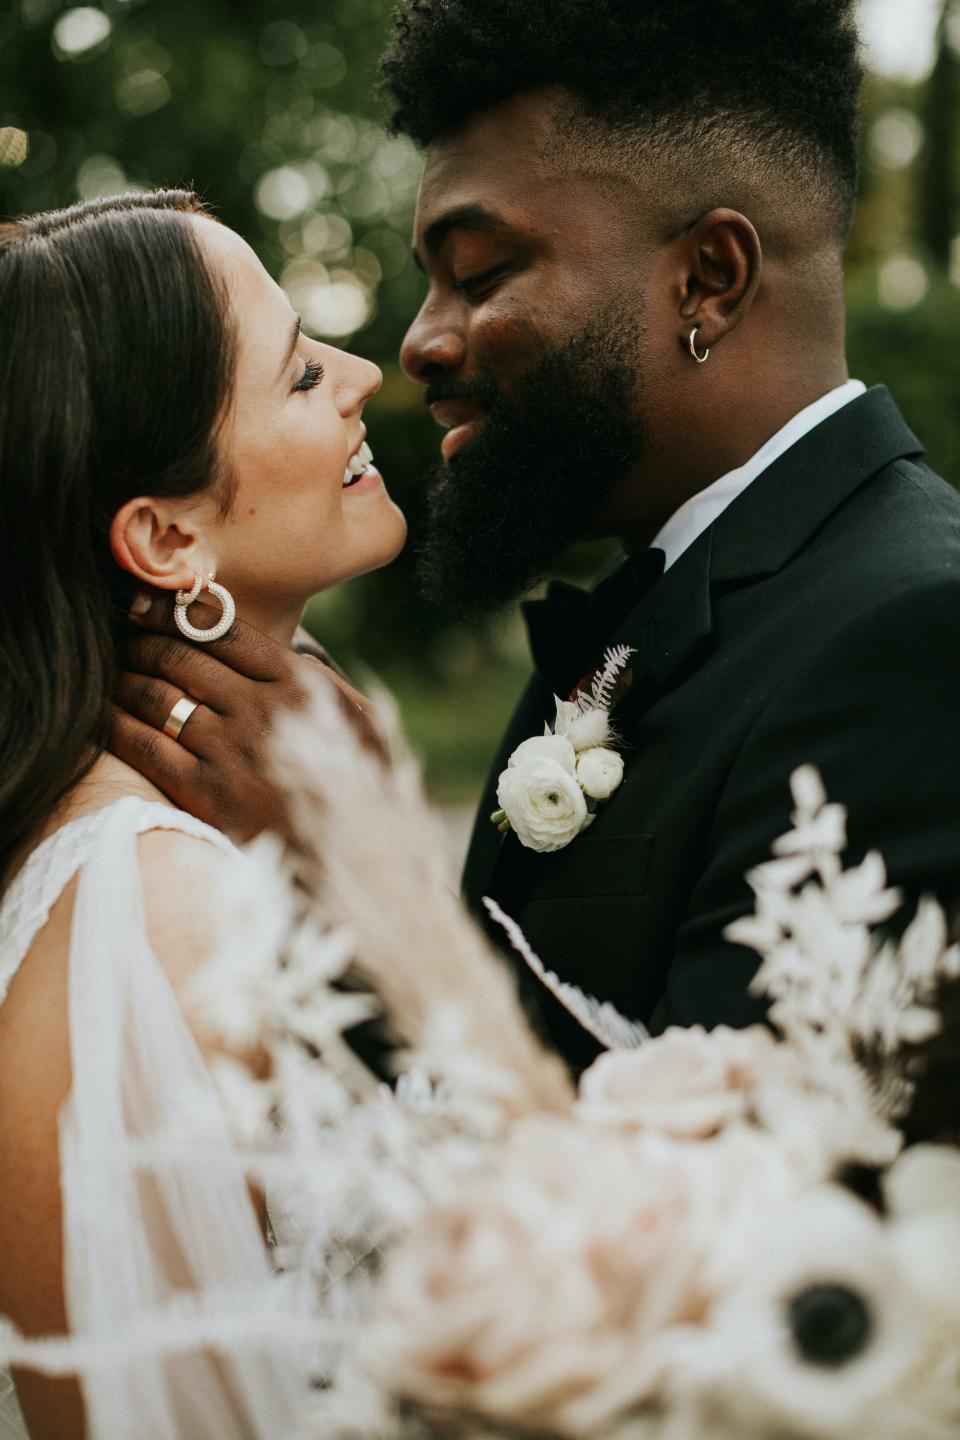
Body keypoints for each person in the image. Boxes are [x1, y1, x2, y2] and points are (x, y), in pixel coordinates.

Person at [113, 0, 960, 1072]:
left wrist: (365, 883)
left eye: (480, 274)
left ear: (709, 278)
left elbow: (733, 1218)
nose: (416, 343)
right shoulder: (633, 622)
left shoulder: (915, 638)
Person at [0, 190, 405, 1439]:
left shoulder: (193, 855)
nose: (364, 375)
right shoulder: (155, 906)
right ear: (167, 537)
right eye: (297, 374)